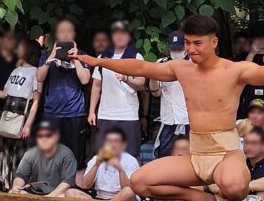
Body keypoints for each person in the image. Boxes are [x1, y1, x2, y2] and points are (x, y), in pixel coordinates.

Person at [74, 14, 264, 201]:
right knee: (139, 182)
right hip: (196, 155)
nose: (190, 49)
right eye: (187, 43)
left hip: (226, 154)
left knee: (235, 187)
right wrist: (100, 62)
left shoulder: (235, 70)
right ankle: (199, 199)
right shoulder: (182, 69)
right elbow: (142, 67)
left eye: (197, 43)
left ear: (214, 42)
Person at [0, 38, 41, 191]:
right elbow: (4, 94)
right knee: (5, 151)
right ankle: (5, 186)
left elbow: (36, 101)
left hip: (22, 114)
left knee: (21, 154)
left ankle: (20, 188)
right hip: (9, 113)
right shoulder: (16, 70)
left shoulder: (35, 72)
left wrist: (28, 125)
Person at [37, 20, 91, 167]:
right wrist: (52, 56)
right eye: (62, 31)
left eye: (69, 31)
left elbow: (85, 79)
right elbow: (39, 77)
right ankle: (52, 188)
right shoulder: (47, 55)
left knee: (76, 157)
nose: (66, 34)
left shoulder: (82, 54)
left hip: (75, 113)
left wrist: (77, 59)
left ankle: (75, 188)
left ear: (74, 35)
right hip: (52, 113)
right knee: (50, 156)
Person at [89, 21, 145, 156]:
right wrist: (91, 111)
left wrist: (127, 79)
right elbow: (96, 85)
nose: (119, 37)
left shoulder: (136, 57)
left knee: (129, 155)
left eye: (123, 33)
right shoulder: (103, 57)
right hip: (106, 115)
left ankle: (129, 178)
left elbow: (141, 84)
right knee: (106, 156)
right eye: (116, 33)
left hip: (128, 115)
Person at [8, 119, 80, 198]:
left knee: (69, 194)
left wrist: (49, 197)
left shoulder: (66, 154)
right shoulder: (30, 153)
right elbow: (20, 176)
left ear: (56, 137)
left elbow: (67, 182)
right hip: (35, 194)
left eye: (48, 135)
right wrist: (17, 186)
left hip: (57, 194)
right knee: (13, 192)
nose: (44, 139)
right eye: (40, 136)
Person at [151, 31, 190, 158]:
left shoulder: (195, 64)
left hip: (189, 120)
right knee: (163, 154)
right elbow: (156, 93)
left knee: (192, 155)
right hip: (168, 119)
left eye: (179, 48)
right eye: (173, 48)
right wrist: (153, 75)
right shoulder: (161, 63)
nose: (176, 51)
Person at [77, 127, 139, 201]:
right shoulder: (96, 158)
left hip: (120, 198)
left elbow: (128, 188)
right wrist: (96, 164)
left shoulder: (131, 160)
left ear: (123, 144)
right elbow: (85, 185)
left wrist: (120, 169)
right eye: (109, 141)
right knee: (71, 192)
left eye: (116, 141)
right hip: (99, 198)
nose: (112, 145)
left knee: (128, 192)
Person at [237, 27, 264, 130]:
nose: (262, 41)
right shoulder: (244, 55)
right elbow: (244, 74)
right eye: (259, 38)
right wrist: (252, 53)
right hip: (248, 98)